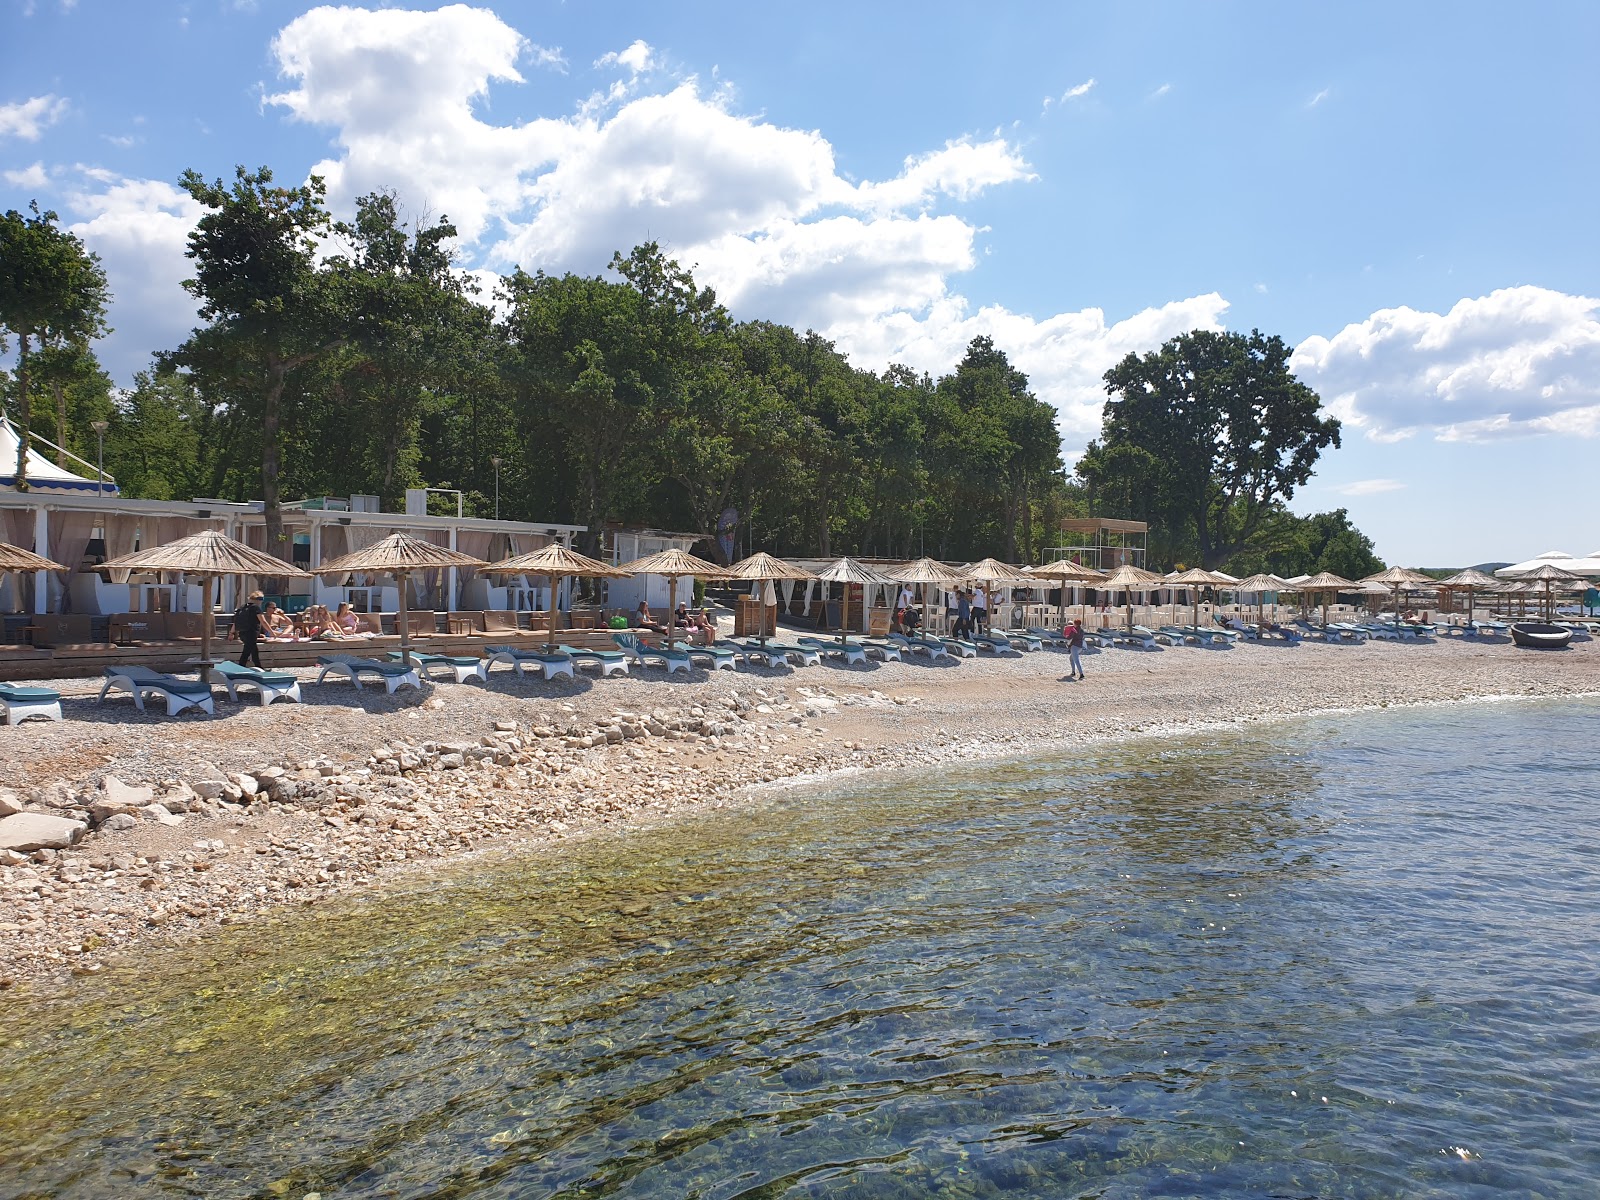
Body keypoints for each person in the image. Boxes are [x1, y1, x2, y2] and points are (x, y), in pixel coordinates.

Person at [230, 589, 266, 668]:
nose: (262, 601)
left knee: (253, 650)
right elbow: (263, 621)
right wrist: (272, 632)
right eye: (261, 599)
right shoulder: (256, 608)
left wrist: (232, 633)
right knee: (247, 651)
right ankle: (241, 667)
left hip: (242, 632)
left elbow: (236, 621)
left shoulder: (242, 607)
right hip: (252, 632)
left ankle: (258, 666)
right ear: (257, 600)